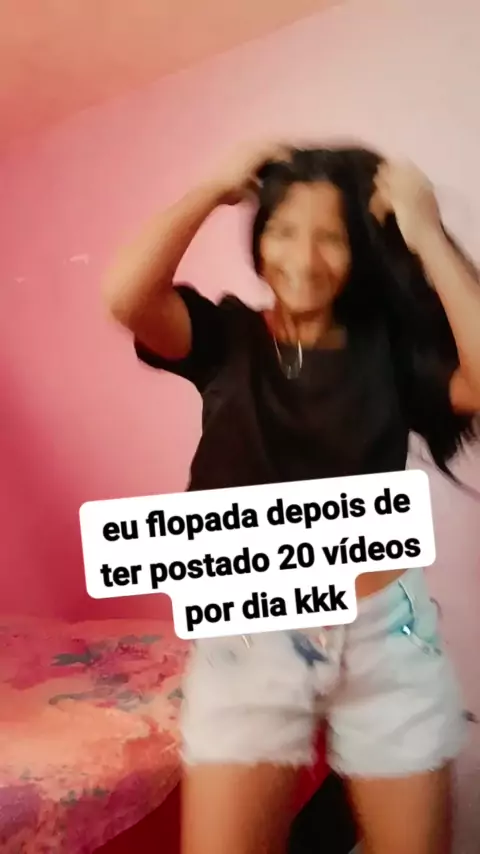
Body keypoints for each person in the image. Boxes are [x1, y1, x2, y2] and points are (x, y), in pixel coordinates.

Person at [103, 142, 480, 854]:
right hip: (251, 633)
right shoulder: (226, 337)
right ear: (258, 239)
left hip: (386, 635)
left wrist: (424, 229)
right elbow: (126, 295)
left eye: (331, 236)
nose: (303, 258)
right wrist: (214, 184)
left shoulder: (388, 353)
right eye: (282, 230)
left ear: (361, 250)